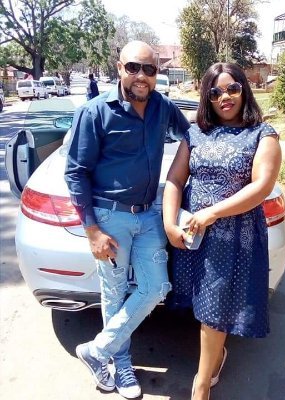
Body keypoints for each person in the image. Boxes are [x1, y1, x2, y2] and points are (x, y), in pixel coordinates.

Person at [64, 41, 190, 399]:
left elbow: (191, 137)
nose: (141, 76)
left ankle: (96, 350)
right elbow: (76, 173)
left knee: (156, 287)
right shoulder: (95, 112)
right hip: (110, 218)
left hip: (149, 214)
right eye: (134, 67)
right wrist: (92, 230)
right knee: (115, 294)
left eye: (149, 70)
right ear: (119, 67)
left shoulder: (163, 107)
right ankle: (120, 365)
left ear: (157, 74)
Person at [162, 62, 282, 400]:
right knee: (204, 304)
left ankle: (200, 386)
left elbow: (261, 186)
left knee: (215, 310)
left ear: (244, 90)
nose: (224, 97)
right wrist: (169, 223)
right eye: (215, 92)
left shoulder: (263, 134)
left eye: (232, 88)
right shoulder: (195, 133)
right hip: (194, 235)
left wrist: (212, 212)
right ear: (207, 98)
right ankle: (215, 359)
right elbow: (175, 179)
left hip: (234, 237)